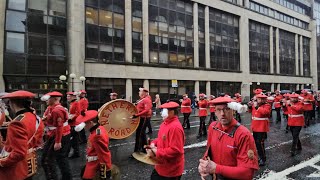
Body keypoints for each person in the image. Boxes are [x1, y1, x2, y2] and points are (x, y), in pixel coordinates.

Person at [198, 96, 259, 180]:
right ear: (215, 112)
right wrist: (203, 164)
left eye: (226, 109)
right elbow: (209, 150)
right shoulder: (213, 127)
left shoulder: (243, 134)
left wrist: (216, 168)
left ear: (233, 110)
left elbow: (247, 173)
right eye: (219, 110)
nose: (222, 114)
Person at [0, 91, 43, 180]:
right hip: (30, 162)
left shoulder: (17, 123)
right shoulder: (34, 117)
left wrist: (1, 162)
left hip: (17, 167)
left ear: (12, 103)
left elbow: (19, 153)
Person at [147, 102, 185, 179]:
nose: (161, 114)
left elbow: (176, 150)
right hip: (161, 166)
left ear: (171, 112)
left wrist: (157, 151)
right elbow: (161, 138)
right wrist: (153, 143)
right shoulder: (165, 123)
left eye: (163, 111)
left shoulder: (175, 127)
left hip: (171, 171)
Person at [41, 91, 72, 180]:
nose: (46, 100)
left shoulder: (57, 110)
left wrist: (58, 142)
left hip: (59, 135)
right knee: (59, 159)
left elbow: (59, 126)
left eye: (48, 98)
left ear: (55, 99)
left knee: (50, 160)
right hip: (55, 135)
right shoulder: (51, 108)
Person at [75, 110, 113, 180]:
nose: (84, 127)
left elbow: (103, 154)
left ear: (91, 123)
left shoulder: (97, 135)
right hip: (92, 162)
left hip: (95, 164)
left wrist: (105, 171)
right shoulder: (97, 130)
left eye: (85, 124)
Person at [248, 93, 271, 166]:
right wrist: (249, 106)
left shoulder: (267, 105)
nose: (260, 100)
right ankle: (259, 157)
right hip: (255, 126)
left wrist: (257, 107)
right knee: (256, 143)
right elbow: (249, 112)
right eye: (258, 99)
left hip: (262, 127)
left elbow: (266, 112)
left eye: (262, 99)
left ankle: (263, 158)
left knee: (260, 143)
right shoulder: (255, 105)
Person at [132, 87, 152, 153]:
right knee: (141, 134)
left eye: (140, 91)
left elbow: (147, 110)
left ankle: (137, 150)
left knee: (140, 134)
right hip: (141, 118)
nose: (139, 92)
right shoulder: (142, 99)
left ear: (144, 93)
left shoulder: (146, 100)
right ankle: (144, 149)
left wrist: (137, 115)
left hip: (144, 118)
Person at [67, 91, 80, 159]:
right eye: (67, 96)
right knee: (73, 139)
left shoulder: (76, 103)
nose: (67, 98)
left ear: (73, 97)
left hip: (74, 123)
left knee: (74, 139)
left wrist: (71, 118)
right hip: (71, 123)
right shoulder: (72, 103)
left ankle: (76, 153)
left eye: (69, 96)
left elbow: (77, 113)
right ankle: (75, 152)